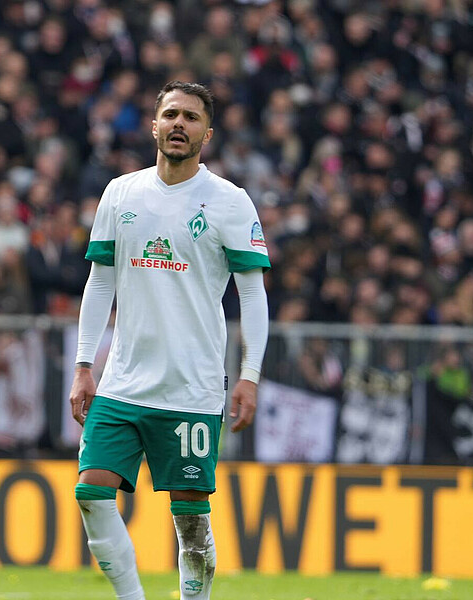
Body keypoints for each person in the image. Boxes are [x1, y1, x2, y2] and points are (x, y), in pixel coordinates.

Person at [68, 81, 270, 600]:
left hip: (191, 386)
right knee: (91, 491)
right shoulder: (121, 193)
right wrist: (84, 364)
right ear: (154, 124)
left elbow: (252, 295)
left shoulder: (229, 201)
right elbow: (100, 282)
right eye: (171, 114)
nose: (180, 124)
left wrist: (248, 376)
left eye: (192, 117)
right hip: (123, 382)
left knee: (190, 524)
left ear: (208, 132)